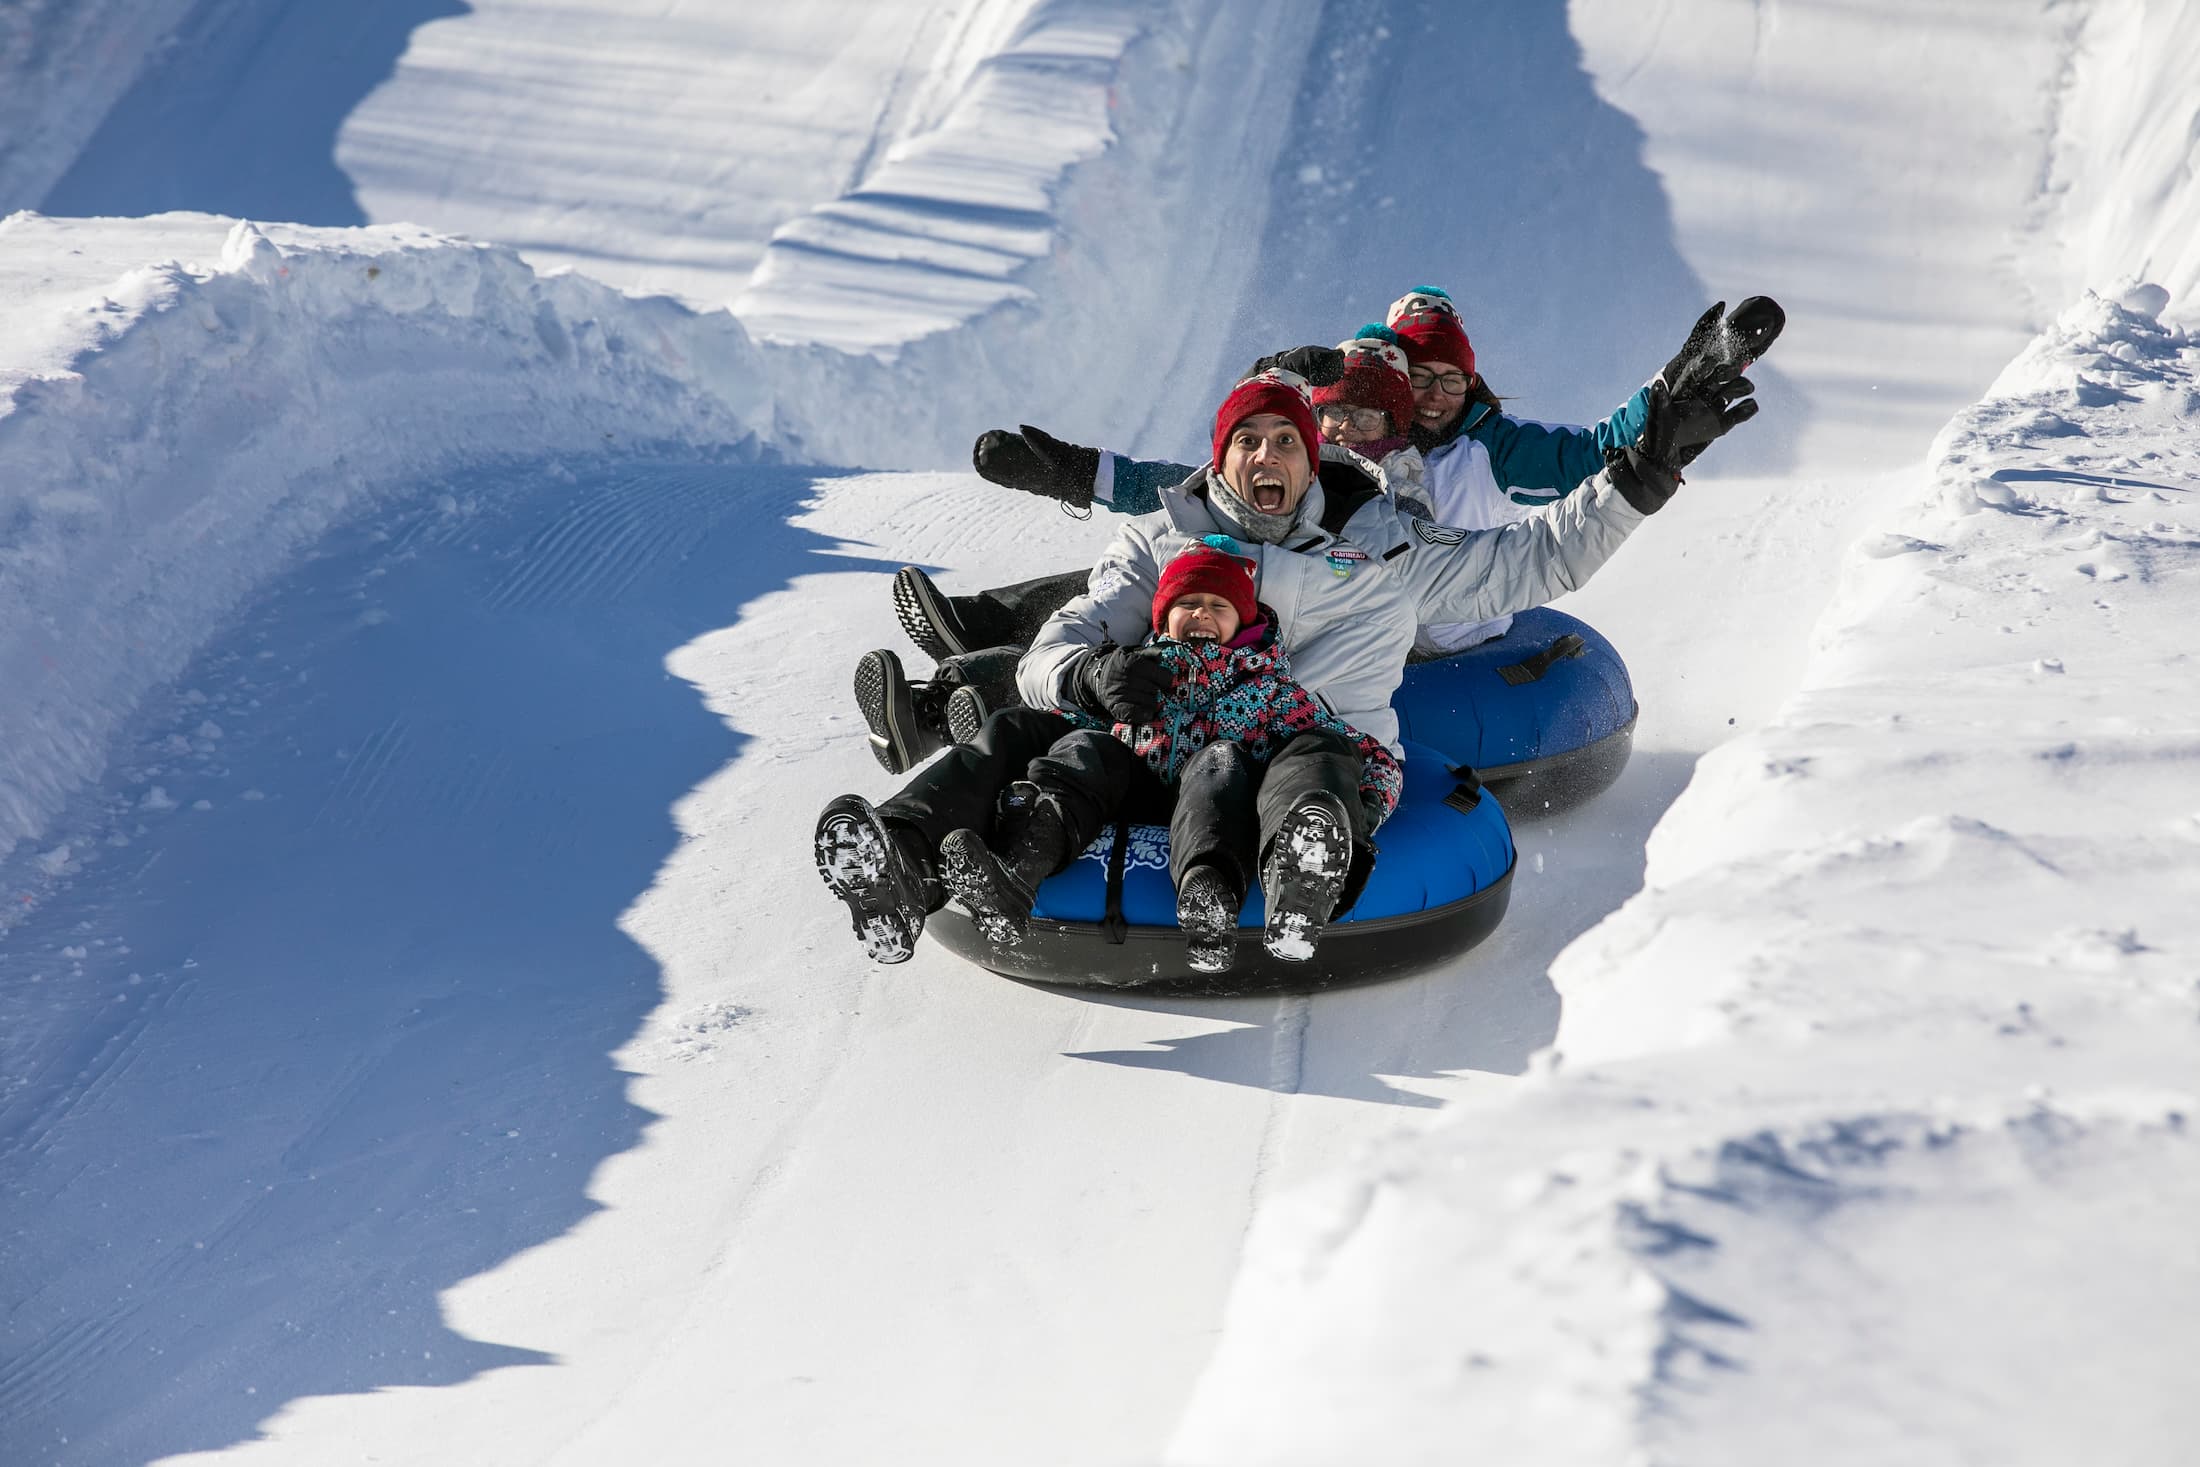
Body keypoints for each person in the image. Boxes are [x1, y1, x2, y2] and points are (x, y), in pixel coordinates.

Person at [816, 362, 1759, 968]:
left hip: (1308, 764)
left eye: (1285, 442)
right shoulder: (1158, 546)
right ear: (1221, 461)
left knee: (1298, 763)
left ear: (1311, 464)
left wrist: (1642, 470)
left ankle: (1306, 867)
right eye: (1246, 441)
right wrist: (1085, 678)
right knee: (1024, 732)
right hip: (1156, 759)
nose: (1266, 455)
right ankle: (896, 859)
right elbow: (1058, 641)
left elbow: (1540, 556)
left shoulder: (1387, 551)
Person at [857, 288, 1749, 771]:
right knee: (1142, 585)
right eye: (1339, 417)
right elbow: (1179, 487)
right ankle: (956, 687)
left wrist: (1657, 426)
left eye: (1443, 383)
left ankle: (984, 672)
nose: (1423, 401)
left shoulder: (1451, 469)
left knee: (1183, 615)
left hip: (1411, 642)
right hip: (1252, 627)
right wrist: (1071, 472)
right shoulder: (1310, 460)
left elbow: (1563, 504)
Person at [930, 535, 1401, 973]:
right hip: (1132, 796)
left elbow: (1360, 753)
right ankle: (1021, 867)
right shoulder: (1134, 677)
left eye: (1219, 606)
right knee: (1087, 746)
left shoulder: (1269, 692)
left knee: (1219, 761)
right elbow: (1065, 729)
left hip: (1218, 812)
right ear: (1162, 616)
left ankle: (1226, 893)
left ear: (1242, 622)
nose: (1202, 614)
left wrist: (1367, 805)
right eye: (1188, 603)